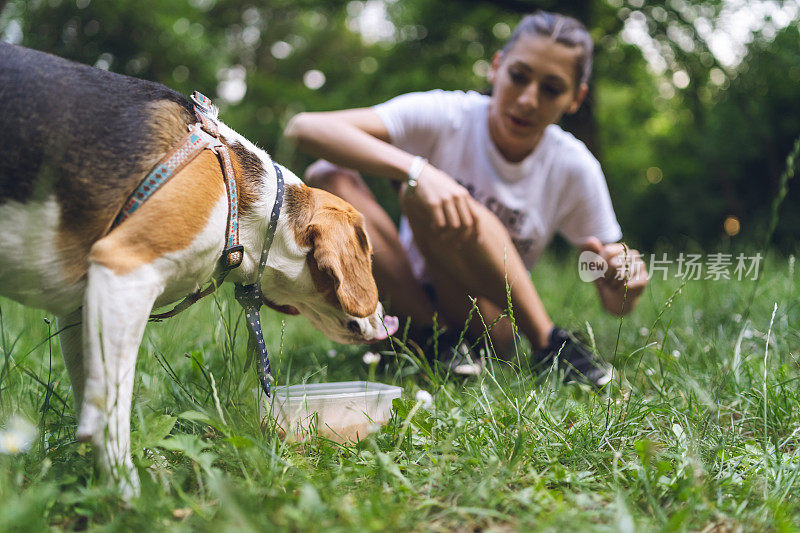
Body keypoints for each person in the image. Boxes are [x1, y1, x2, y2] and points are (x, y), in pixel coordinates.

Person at [284, 11, 650, 387]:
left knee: (420, 193)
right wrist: (419, 170)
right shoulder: (449, 115)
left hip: (488, 318)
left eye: (551, 89)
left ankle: (547, 342)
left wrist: (622, 282)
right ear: (497, 67)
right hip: (409, 296)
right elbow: (305, 128)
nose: (527, 100)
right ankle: (432, 338)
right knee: (328, 176)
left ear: (576, 98)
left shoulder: (573, 166)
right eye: (519, 76)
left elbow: (613, 298)